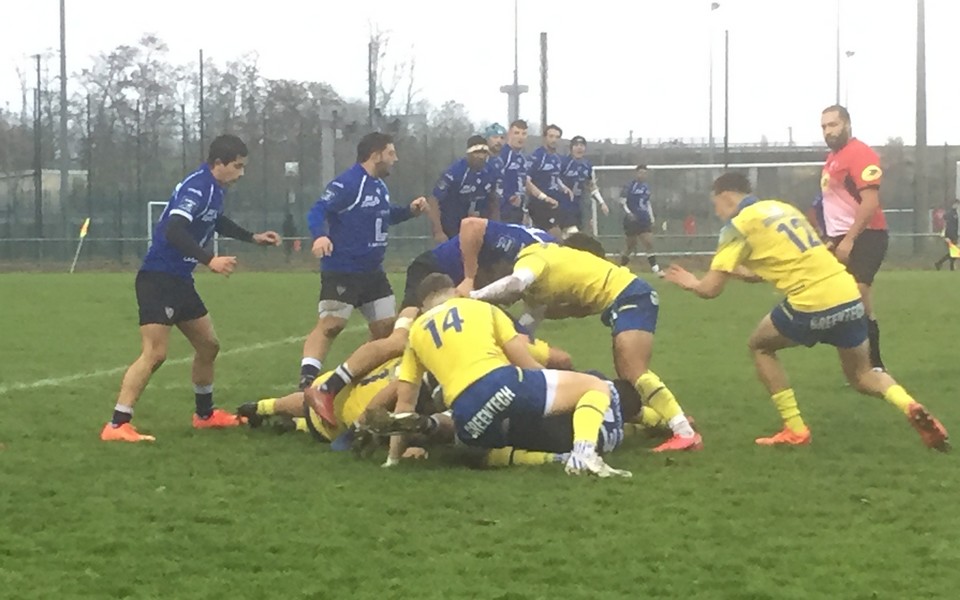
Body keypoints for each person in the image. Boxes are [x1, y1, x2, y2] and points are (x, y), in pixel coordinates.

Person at [664, 172, 948, 451]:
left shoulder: (737, 225)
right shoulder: (782, 209)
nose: (717, 212)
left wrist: (691, 283)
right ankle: (908, 403)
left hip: (811, 300)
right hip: (847, 294)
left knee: (760, 346)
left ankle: (795, 429)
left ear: (725, 196)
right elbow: (761, 271)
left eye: (715, 205)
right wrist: (732, 272)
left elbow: (710, 290)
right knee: (862, 374)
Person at [100, 134, 281, 442]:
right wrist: (209, 259)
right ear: (218, 163)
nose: (241, 173)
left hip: (180, 280)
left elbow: (216, 221)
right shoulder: (197, 186)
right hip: (158, 279)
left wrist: (253, 237)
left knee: (209, 345)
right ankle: (117, 425)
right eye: (237, 166)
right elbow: (173, 229)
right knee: (155, 354)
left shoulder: (215, 189)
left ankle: (205, 415)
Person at [309, 220, 565, 427]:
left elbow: (532, 312)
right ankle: (328, 389)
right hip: (433, 275)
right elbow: (470, 226)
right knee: (400, 341)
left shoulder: (550, 260)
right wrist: (469, 278)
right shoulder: (532, 248)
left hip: (466, 295)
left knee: (501, 344)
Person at [470, 234, 701, 453]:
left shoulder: (532, 256)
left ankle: (683, 431)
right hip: (625, 297)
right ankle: (667, 421)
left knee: (634, 371)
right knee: (628, 374)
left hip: (629, 294)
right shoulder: (536, 293)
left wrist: (472, 297)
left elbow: (514, 285)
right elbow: (525, 330)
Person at [384, 273, 632, 477]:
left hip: (465, 410)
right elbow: (523, 361)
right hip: (501, 382)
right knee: (594, 385)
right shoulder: (481, 308)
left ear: (424, 305)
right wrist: (552, 387)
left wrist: (392, 460)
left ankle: (553, 458)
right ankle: (583, 454)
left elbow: (404, 403)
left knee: (480, 449)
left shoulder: (415, 333)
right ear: (454, 292)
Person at [299, 132, 427, 392]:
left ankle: (357, 377)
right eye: (391, 153)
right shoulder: (348, 183)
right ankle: (307, 383)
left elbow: (384, 216)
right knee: (331, 325)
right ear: (376, 155)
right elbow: (317, 210)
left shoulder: (379, 186)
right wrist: (320, 236)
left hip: (373, 273)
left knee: (386, 330)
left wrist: (409, 212)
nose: (395, 159)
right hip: (344, 269)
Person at [820, 105, 888, 371]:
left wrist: (848, 240)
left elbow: (870, 203)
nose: (828, 131)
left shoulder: (860, 153)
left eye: (833, 125)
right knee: (853, 303)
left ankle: (872, 365)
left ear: (847, 124)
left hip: (868, 235)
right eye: (824, 126)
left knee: (857, 295)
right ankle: (867, 365)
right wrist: (831, 239)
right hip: (841, 237)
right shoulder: (831, 159)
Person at [426, 135, 498, 242]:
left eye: (484, 153)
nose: (481, 156)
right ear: (468, 153)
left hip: (478, 228)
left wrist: (495, 228)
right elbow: (434, 200)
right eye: (476, 152)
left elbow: (494, 200)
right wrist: (438, 231)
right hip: (452, 229)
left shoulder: (490, 171)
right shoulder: (455, 172)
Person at [558, 135, 609, 238]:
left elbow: (591, 186)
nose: (579, 148)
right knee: (572, 233)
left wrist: (601, 202)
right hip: (565, 205)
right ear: (571, 148)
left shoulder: (587, 165)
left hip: (580, 205)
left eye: (582, 145)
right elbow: (555, 178)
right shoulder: (564, 162)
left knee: (578, 236)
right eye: (576, 145)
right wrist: (563, 188)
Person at [525, 124, 571, 237]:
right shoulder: (537, 156)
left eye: (557, 137)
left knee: (565, 232)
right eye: (551, 136)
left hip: (554, 201)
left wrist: (564, 187)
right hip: (540, 204)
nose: (554, 140)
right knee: (554, 236)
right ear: (545, 137)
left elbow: (555, 177)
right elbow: (527, 181)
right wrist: (543, 197)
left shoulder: (557, 158)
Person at [619, 165, 662, 275]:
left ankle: (655, 269)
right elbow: (622, 202)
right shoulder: (629, 186)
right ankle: (620, 267)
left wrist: (651, 217)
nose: (642, 175)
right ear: (636, 173)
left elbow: (647, 203)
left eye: (644, 173)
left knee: (648, 242)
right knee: (631, 245)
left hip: (644, 219)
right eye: (640, 172)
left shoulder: (646, 187)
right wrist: (629, 213)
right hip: (632, 219)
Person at [497, 120, 530, 225]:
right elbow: (494, 181)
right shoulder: (503, 154)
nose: (520, 137)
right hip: (502, 210)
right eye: (516, 133)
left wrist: (525, 210)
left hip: (518, 209)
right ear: (509, 134)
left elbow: (525, 183)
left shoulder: (522, 158)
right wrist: (507, 197)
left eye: (523, 134)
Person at [934, 199, 959, 271]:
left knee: (953, 252)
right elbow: (948, 225)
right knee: (954, 252)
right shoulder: (950, 213)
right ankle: (941, 263)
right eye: (956, 204)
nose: (957, 206)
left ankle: (940, 263)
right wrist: (947, 236)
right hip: (950, 235)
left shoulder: (954, 213)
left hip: (953, 235)